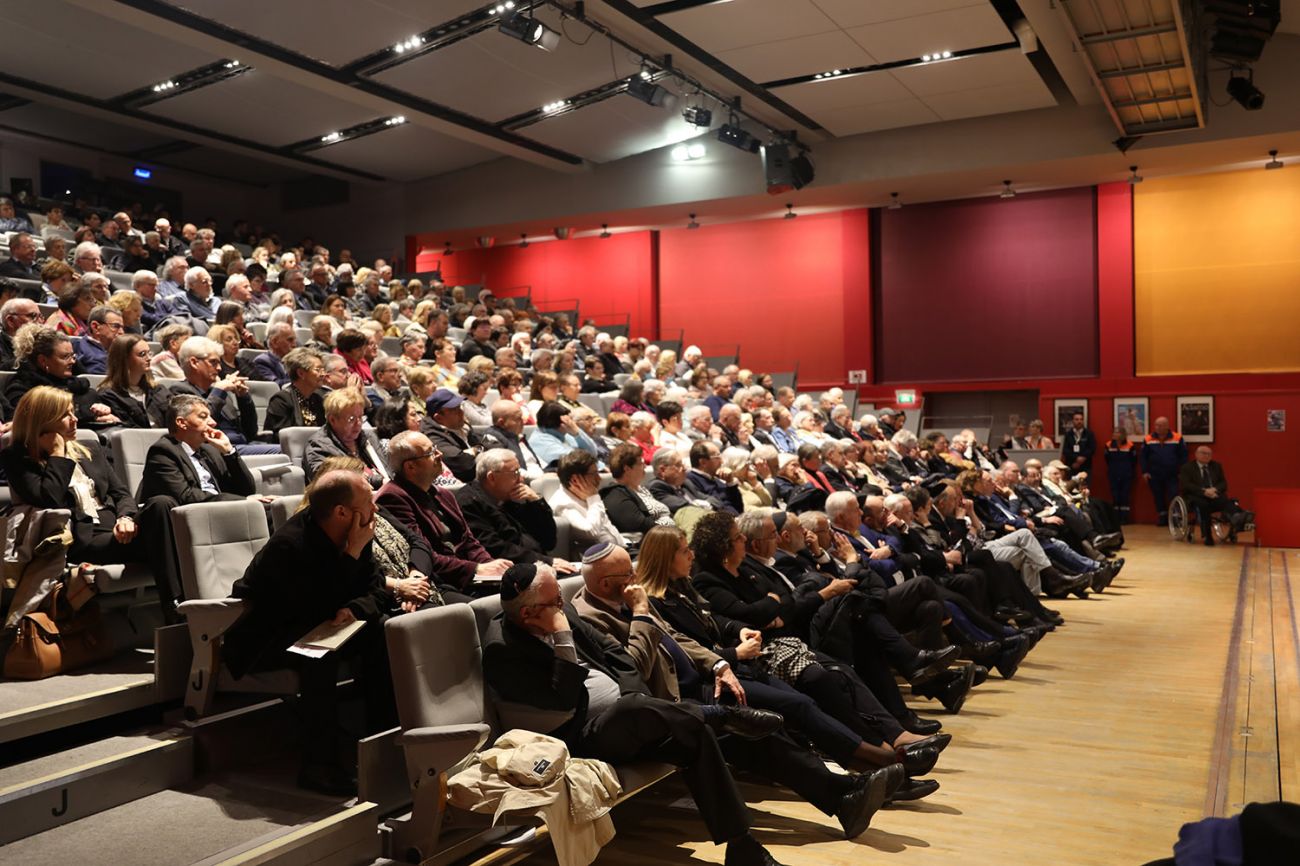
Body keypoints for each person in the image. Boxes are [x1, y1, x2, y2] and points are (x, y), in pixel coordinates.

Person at [573, 542, 910, 830]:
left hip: (698, 683)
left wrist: (718, 663)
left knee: (772, 717)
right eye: (627, 576)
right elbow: (635, 668)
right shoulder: (591, 618)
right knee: (748, 731)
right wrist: (643, 614)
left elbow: (677, 638)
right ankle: (851, 789)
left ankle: (850, 789)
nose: (635, 580)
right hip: (664, 704)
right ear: (605, 584)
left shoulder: (627, 598)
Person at [481, 561, 790, 866]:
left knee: (692, 732)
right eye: (555, 601)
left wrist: (637, 698)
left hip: (629, 720)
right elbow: (564, 701)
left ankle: (742, 847)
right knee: (636, 710)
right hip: (577, 735)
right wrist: (563, 637)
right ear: (528, 613)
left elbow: (616, 654)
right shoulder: (502, 651)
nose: (562, 605)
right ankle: (719, 715)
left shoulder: (559, 610)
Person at [223, 470, 396, 795]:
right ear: (342, 512)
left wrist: (357, 608)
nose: (376, 508)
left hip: (320, 627)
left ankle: (381, 744)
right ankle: (319, 766)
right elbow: (312, 607)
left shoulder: (354, 531)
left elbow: (379, 590)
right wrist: (352, 556)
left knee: (386, 630)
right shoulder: (289, 546)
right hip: (266, 639)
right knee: (319, 655)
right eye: (368, 501)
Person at [1, 386, 181, 617]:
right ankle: (176, 609)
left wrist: (125, 517)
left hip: (119, 529)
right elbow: (49, 499)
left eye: (73, 412)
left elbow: (121, 493)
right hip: (85, 540)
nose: (75, 420)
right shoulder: (18, 458)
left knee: (162, 504)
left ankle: (181, 605)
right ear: (43, 420)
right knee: (169, 539)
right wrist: (57, 453)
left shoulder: (90, 449)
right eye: (66, 415)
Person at [377, 430, 511, 601]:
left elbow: (468, 541)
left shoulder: (443, 494)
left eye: (436, 448)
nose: (439, 454)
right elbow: (423, 553)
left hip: (469, 576)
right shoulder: (392, 498)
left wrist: (491, 566)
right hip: (438, 582)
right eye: (431, 452)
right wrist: (477, 569)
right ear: (410, 467)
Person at [454, 449, 576, 572]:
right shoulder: (469, 502)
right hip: (509, 573)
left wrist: (536, 502)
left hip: (536, 565)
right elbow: (495, 548)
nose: (521, 479)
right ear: (492, 477)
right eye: (515, 473)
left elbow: (549, 541)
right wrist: (546, 562)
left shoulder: (511, 497)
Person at [153, 336, 275, 455]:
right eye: (213, 362)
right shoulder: (180, 393)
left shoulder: (221, 394)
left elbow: (250, 431)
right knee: (285, 451)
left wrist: (243, 397)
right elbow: (201, 424)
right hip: (214, 450)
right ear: (194, 362)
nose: (219, 368)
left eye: (219, 362)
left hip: (242, 446)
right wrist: (219, 390)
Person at [138, 393, 258, 503]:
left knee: (273, 509)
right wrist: (243, 501)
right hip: (193, 517)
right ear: (181, 423)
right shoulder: (163, 452)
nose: (213, 423)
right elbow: (186, 496)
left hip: (225, 510)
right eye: (203, 416)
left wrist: (229, 451)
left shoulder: (210, 450)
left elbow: (248, 490)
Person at [303, 387, 389, 489]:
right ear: (333, 420)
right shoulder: (318, 447)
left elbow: (388, 469)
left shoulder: (368, 437)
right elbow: (333, 483)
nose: (359, 423)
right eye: (351, 419)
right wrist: (378, 481)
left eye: (361, 417)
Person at [547, 450, 625, 556]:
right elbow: (590, 532)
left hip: (621, 551)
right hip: (600, 562)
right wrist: (594, 499)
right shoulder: (563, 504)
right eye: (594, 474)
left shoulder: (586, 494)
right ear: (575, 480)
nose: (599, 478)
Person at [1178, 446, 1251, 546]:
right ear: (1196, 454)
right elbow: (1186, 485)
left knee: (1225, 500)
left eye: (1209, 454)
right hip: (1195, 495)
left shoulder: (1216, 466)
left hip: (1213, 494)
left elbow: (1223, 483)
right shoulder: (1187, 467)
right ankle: (1208, 535)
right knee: (1203, 505)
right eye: (1204, 453)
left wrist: (1214, 489)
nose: (1206, 456)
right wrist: (1204, 491)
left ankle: (1237, 516)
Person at [601, 442, 675, 534]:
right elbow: (639, 525)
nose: (644, 467)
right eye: (640, 463)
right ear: (627, 468)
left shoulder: (641, 489)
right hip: (657, 541)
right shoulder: (614, 495)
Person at [95, 334, 164, 428]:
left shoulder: (158, 390)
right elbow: (128, 430)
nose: (149, 358)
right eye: (142, 354)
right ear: (125, 359)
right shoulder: (108, 395)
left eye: (149, 353)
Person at [419, 388, 484, 483]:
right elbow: (464, 465)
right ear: (439, 417)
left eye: (460, 407)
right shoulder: (431, 436)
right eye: (455, 410)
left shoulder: (461, 426)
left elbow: (482, 445)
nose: (461, 412)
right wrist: (476, 450)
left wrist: (475, 450)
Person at [479, 398, 546, 480]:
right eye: (518, 418)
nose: (523, 422)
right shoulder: (491, 439)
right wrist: (542, 477)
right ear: (501, 423)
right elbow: (508, 470)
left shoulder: (517, 436)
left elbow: (535, 461)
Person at [1140, 416, 1187, 526]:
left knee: (1174, 495)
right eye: (1156, 425)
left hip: (1173, 473)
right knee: (1158, 496)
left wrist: (1183, 472)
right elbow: (1143, 457)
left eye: (1160, 425)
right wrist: (1144, 472)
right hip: (1154, 473)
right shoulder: (1148, 439)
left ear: (1167, 426)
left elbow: (1183, 456)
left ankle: (1175, 518)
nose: (1157, 427)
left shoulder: (1177, 437)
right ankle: (1162, 517)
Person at [528, 400, 598, 471]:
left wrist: (577, 433)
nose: (572, 423)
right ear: (562, 424)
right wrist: (599, 465)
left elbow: (593, 452)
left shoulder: (565, 433)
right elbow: (576, 461)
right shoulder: (540, 441)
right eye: (568, 420)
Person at [1103, 427, 1138, 524]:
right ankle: (1115, 518)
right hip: (1113, 474)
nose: (1115, 434)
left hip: (1126, 474)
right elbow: (1107, 459)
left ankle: (1124, 518)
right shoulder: (1108, 445)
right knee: (1115, 496)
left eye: (1117, 432)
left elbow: (1134, 460)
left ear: (1122, 434)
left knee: (1124, 496)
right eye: (1114, 432)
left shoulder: (1130, 445)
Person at [250, 321, 296, 386]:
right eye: (290, 340)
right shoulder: (262, 362)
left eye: (294, 340)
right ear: (274, 342)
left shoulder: (296, 360)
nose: (294, 344)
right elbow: (275, 385)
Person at [0, 297, 42, 369]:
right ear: (11, 321)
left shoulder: (44, 342)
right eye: (33, 316)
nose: (40, 322)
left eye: (40, 316)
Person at [1059, 412, 1095, 479]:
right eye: (1077, 419)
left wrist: (1082, 459)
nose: (1079, 421)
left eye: (1081, 419)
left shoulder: (1089, 434)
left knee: (1085, 488)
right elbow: (1065, 450)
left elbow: (1092, 449)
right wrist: (1076, 459)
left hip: (1085, 466)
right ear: (1073, 421)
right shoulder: (1068, 434)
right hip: (1071, 465)